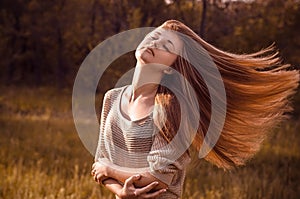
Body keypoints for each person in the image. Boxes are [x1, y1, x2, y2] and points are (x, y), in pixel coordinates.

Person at [91, 20, 299, 199]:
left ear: (169, 67)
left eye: (167, 46)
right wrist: (122, 192)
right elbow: (100, 164)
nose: (155, 42)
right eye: (154, 35)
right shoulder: (112, 98)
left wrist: (110, 170)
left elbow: (159, 179)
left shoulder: (172, 109)